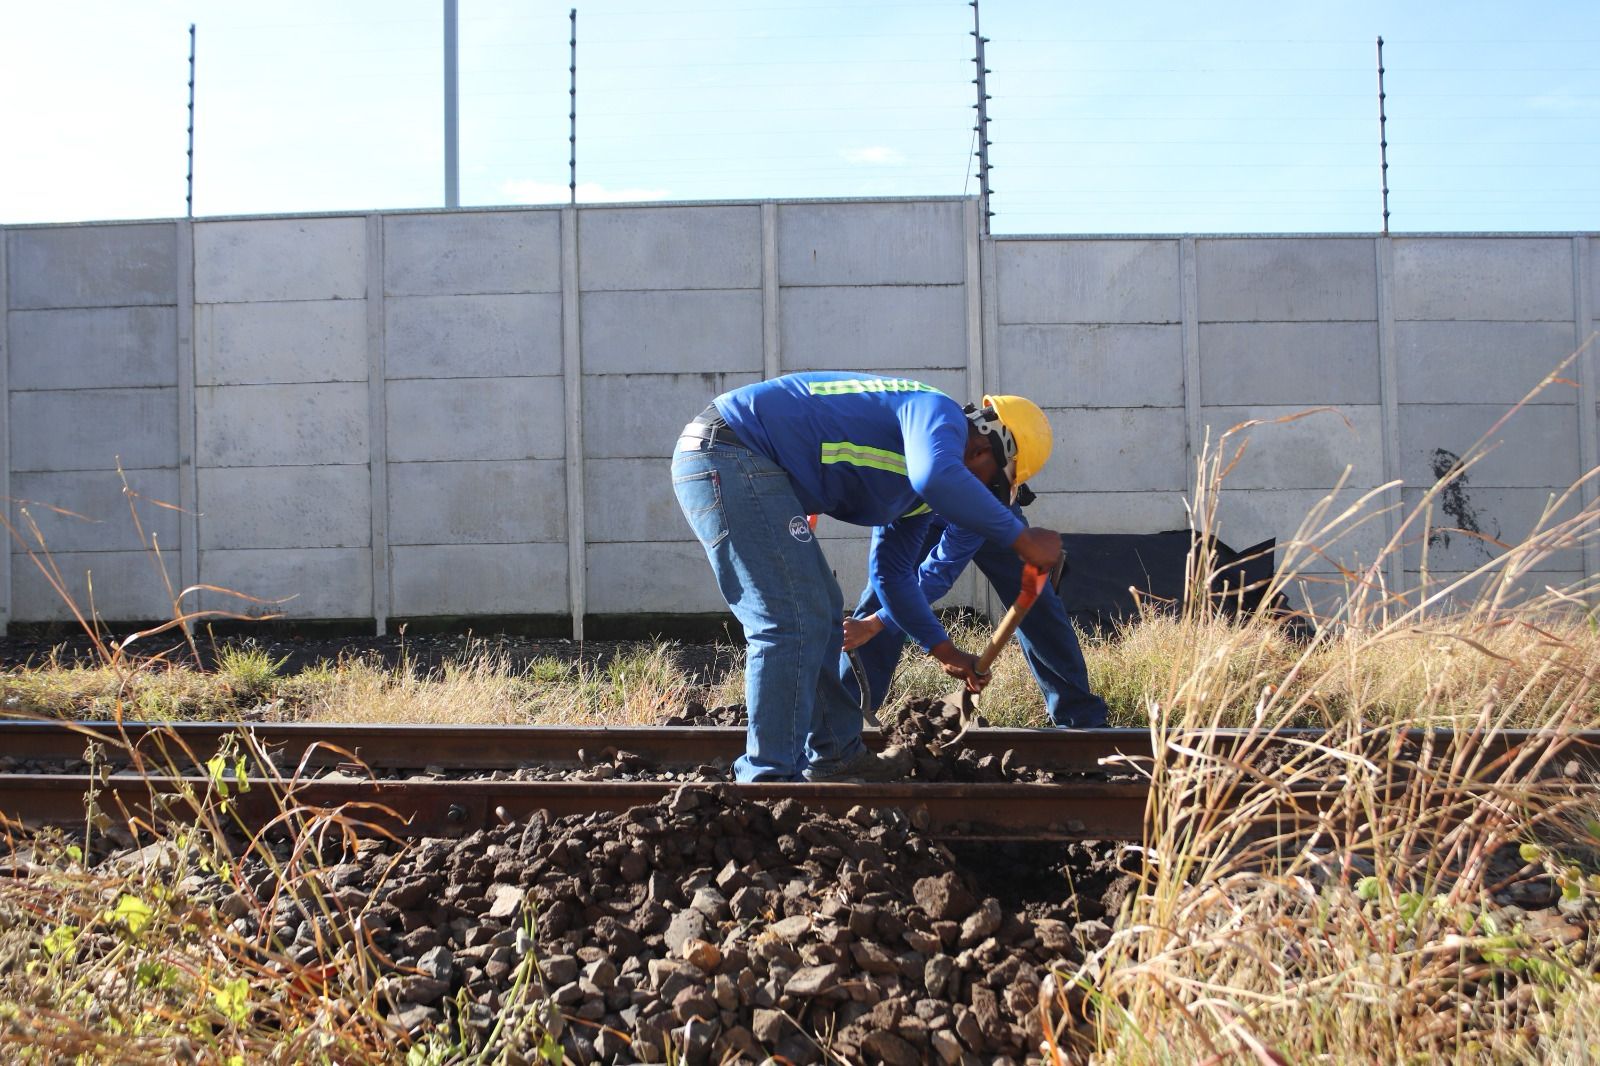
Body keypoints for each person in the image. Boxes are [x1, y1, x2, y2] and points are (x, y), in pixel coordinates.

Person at [671, 373, 1062, 782]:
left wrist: (945, 652)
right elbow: (939, 477)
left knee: (820, 610)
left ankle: (835, 755)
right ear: (985, 445)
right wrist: (1020, 537)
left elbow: (892, 578)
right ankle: (766, 779)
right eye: (993, 485)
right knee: (790, 619)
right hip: (730, 451)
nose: (984, 496)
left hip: (745, 463)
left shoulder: (914, 494)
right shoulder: (936, 413)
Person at [838, 483, 1110, 729]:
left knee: (1039, 607)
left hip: (987, 505)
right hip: (922, 503)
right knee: (880, 598)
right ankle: (842, 721)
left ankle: (1080, 720)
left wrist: (876, 622)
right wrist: (875, 622)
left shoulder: (995, 482)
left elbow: (941, 569)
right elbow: (932, 573)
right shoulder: (923, 468)